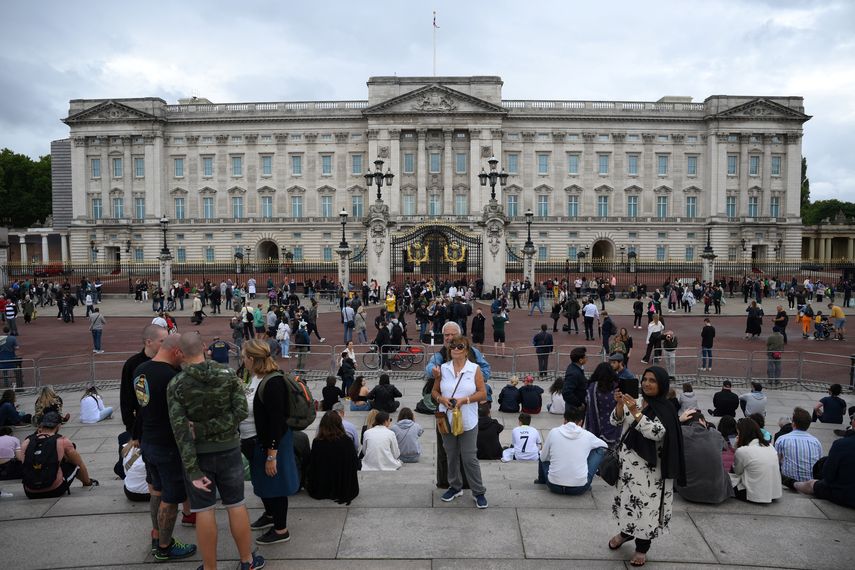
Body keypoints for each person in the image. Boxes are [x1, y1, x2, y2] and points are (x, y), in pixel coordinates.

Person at [167, 333, 265, 570]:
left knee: (203, 510)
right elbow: (241, 412)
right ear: (204, 347)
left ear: (180, 352)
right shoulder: (228, 375)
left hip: (199, 455)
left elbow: (180, 431)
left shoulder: (176, 385)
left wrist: (191, 467)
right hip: (229, 449)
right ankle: (247, 561)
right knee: (236, 504)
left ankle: (210, 567)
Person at [608, 366, 686, 567]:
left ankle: (642, 548)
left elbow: (656, 432)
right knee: (628, 502)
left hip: (651, 472)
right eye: (645, 379)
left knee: (646, 509)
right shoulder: (634, 402)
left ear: (661, 385)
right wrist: (620, 405)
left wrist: (635, 411)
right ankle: (626, 533)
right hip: (627, 470)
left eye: (652, 380)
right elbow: (615, 421)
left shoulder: (665, 408)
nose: (647, 384)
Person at [133, 334, 198, 562]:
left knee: (157, 491)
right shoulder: (172, 377)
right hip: (168, 445)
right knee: (171, 498)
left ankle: (157, 534)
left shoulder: (140, 369)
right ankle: (164, 547)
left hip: (148, 440)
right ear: (177, 351)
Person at [233, 338, 297, 547]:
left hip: (268, 443)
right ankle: (270, 514)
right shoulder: (254, 377)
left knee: (275, 484)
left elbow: (275, 421)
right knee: (262, 483)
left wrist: (272, 455)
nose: (242, 360)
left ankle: (281, 529)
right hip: (253, 441)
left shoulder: (272, 382)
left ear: (251, 359)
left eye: (243, 356)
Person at [431, 334, 489, 508]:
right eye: (452, 346)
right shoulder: (442, 368)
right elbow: (434, 392)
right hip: (446, 420)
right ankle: (455, 486)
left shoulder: (474, 369)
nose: (455, 349)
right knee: (451, 454)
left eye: (460, 346)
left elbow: (483, 393)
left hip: (468, 419)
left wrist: (464, 400)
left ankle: (478, 491)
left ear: (466, 350)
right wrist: (442, 400)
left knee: (469, 457)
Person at [20, 411, 98, 498]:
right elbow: (78, 462)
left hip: (30, 492)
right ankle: (87, 483)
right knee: (76, 464)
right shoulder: (62, 441)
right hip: (54, 490)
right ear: (58, 426)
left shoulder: (27, 441)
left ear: (41, 425)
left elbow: (23, 463)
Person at [535, 405, 607, 495]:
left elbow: (542, 457)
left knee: (543, 454)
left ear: (564, 420)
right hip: (580, 488)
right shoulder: (587, 435)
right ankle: (584, 478)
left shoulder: (554, 432)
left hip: (553, 485)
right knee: (599, 450)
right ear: (581, 422)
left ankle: (541, 481)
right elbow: (605, 446)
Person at [794, 409, 855, 508]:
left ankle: (794, 484)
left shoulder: (841, 444)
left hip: (846, 495)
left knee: (811, 483)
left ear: (853, 422)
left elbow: (828, 476)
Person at [674, 410, 733, 504]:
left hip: (689, 493)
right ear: (702, 421)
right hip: (718, 494)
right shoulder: (716, 434)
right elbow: (725, 447)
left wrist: (678, 420)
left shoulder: (681, 432)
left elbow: (665, 431)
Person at [120, 324, 168, 439]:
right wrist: (132, 429)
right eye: (162, 341)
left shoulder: (169, 362)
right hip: (143, 426)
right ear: (148, 342)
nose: (166, 345)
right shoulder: (133, 364)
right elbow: (126, 398)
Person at [306, 411, 360, 504]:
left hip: (322, 486)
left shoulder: (317, 442)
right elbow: (355, 463)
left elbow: (313, 465)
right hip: (344, 486)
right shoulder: (346, 441)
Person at [730, 417, 783, 503]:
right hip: (773, 492)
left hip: (754, 494)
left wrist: (736, 447)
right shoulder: (770, 446)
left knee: (726, 479)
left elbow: (737, 471)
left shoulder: (743, 450)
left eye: (738, 433)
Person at [775, 407, 823, 487]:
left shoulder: (782, 439)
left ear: (793, 424)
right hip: (810, 482)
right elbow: (819, 464)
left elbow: (776, 462)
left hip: (789, 482)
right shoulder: (816, 442)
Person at [585, 362, 621, 446]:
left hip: (597, 424)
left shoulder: (593, 387)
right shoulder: (617, 386)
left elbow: (588, 403)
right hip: (614, 424)